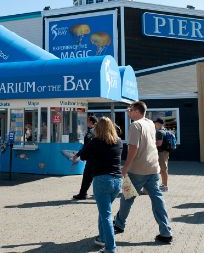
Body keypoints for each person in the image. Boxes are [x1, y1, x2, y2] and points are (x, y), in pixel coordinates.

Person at [114, 101, 173, 244]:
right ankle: (166, 232)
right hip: (153, 168)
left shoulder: (135, 125)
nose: (128, 111)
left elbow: (133, 148)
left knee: (127, 197)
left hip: (137, 169)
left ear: (137, 111)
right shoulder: (150, 123)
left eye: (130, 109)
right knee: (157, 199)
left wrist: (125, 167)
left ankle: (119, 224)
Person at [79, 117, 122, 253]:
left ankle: (110, 248)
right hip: (117, 181)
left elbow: (83, 156)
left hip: (102, 180)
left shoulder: (96, 142)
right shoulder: (118, 141)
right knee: (105, 211)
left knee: (106, 215)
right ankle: (102, 238)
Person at [72, 115, 98, 200]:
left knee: (88, 176)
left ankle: (83, 194)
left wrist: (78, 155)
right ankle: (84, 193)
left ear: (91, 122)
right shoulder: (94, 131)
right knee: (90, 176)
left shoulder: (92, 132)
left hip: (92, 158)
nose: (86, 122)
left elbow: (87, 146)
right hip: (95, 158)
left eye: (87, 120)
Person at [154, 118, 170, 192]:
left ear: (159, 124)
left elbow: (159, 143)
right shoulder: (165, 131)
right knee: (164, 169)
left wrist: (151, 145)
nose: (154, 125)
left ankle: (165, 185)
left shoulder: (159, 132)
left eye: (155, 123)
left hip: (161, 153)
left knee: (163, 169)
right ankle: (164, 184)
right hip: (165, 152)